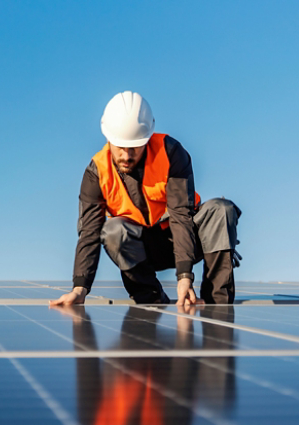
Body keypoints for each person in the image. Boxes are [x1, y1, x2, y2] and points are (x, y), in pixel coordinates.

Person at [50, 91, 241, 308]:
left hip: (186, 237)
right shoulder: (97, 173)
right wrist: (79, 288)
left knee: (221, 210)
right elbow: (89, 233)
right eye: (121, 147)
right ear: (109, 138)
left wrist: (185, 276)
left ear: (147, 138)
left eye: (134, 147)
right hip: (142, 249)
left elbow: (181, 215)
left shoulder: (171, 153)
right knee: (113, 231)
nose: (127, 155)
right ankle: (151, 300)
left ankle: (217, 305)